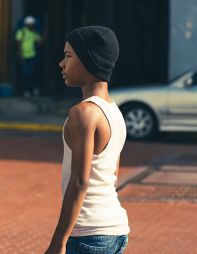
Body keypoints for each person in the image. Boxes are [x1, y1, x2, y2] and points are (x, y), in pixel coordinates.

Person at [45, 26, 129, 254]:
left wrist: (58, 242)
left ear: (90, 62)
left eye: (68, 56)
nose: (61, 63)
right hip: (116, 230)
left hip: (88, 235)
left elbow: (80, 182)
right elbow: (112, 176)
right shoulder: (114, 112)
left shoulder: (83, 113)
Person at [15, 15, 42, 97]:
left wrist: (43, 36)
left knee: (32, 73)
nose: (31, 26)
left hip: (32, 56)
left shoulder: (34, 33)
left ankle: (32, 90)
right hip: (24, 57)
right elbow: (18, 44)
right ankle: (26, 90)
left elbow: (39, 42)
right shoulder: (21, 32)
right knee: (26, 74)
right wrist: (21, 56)